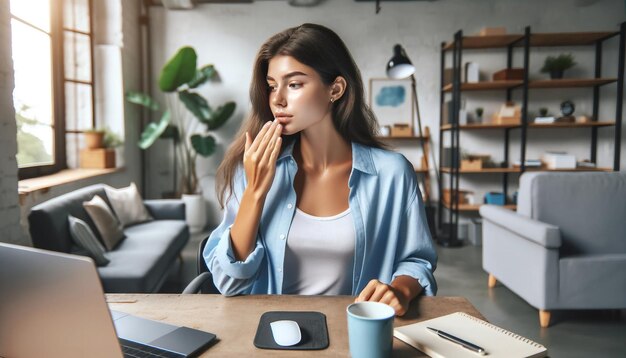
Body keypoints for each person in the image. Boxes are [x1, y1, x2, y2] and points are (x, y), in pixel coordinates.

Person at [203, 23, 436, 316]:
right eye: (272, 85)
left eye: (295, 84)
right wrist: (255, 191)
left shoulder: (392, 174)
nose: (277, 99)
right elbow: (227, 283)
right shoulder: (255, 165)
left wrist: (400, 289)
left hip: (354, 334)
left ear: (335, 89)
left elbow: (417, 259)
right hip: (268, 335)